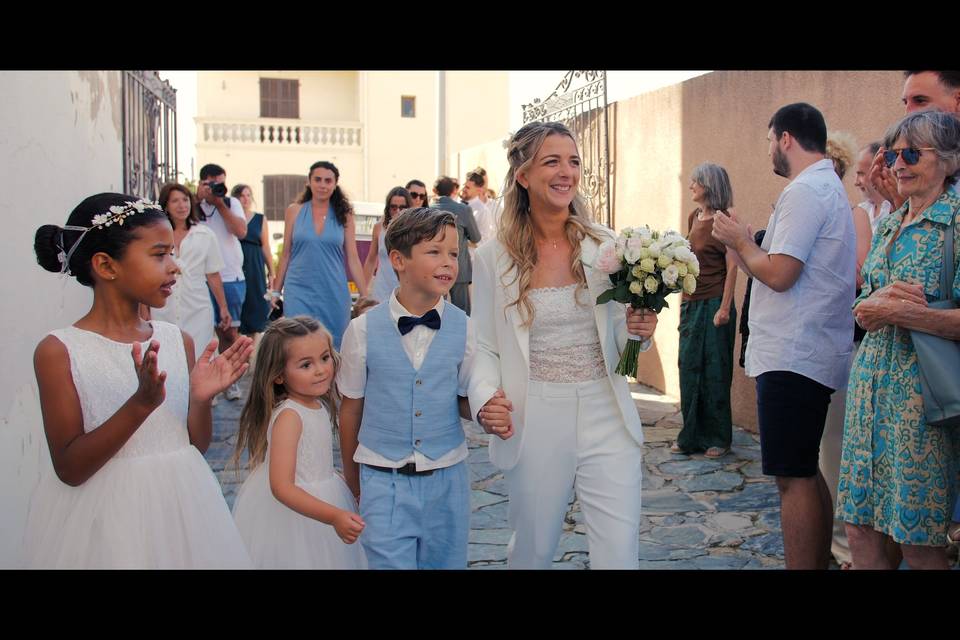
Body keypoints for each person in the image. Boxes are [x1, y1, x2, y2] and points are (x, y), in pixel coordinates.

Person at [25, 192, 254, 568]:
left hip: (181, 511)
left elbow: (194, 443)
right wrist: (140, 405)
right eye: (160, 255)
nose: (174, 267)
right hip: (106, 525)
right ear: (106, 265)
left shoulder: (176, 340)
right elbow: (70, 467)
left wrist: (200, 398)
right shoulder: (60, 351)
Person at [467, 121, 659, 569]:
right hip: (535, 414)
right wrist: (483, 399)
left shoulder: (606, 246)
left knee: (618, 556)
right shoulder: (493, 257)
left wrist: (638, 331)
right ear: (523, 175)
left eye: (572, 161)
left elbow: (621, 337)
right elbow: (484, 346)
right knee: (533, 551)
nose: (565, 172)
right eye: (551, 161)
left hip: (605, 410)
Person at [712, 103, 856, 570]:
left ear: (786, 138)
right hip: (804, 352)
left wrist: (739, 239)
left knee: (792, 477)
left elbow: (779, 273)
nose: (769, 150)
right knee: (805, 472)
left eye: (770, 140)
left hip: (794, 354)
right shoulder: (822, 186)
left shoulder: (807, 191)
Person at [837, 110, 960, 570]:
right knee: (859, 526)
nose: (897, 164)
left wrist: (901, 312)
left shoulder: (956, 226)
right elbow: (866, 306)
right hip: (869, 396)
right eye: (892, 154)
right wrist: (874, 307)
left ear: (948, 160)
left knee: (918, 539)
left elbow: (890, 311)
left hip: (923, 406)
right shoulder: (889, 224)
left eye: (911, 153)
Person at [338, 208, 476, 569]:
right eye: (434, 252)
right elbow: (350, 408)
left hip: (447, 479)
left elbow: (464, 399)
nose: (448, 262)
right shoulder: (362, 331)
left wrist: (484, 406)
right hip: (383, 480)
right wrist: (354, 481)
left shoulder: (466, 329)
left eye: (453, 252)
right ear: (398, 260)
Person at [231, 316, 367, 569]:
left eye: (325, 358)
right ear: (279, 375)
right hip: (296, 514)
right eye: (306, 365)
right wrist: (334, 516)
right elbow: (282, 486)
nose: (321, 370)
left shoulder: (315, 405)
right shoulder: (290, 416)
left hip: (325, 493)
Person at [673, 162, 738, 458]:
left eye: (695, 182)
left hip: (715, 303)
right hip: (691, 303)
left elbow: (732, 265)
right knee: (688, 368)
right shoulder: (693, 217)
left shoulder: (726, 218)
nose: (691, 186)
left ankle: (718, 437)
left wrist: (724, 307)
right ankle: (690, 436)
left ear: (709, 185)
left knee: (715, 371)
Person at [273, 161, 368, 350]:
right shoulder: (294, 211)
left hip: (333, 289)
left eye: (328, 181)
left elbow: (353, 258)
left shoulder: (345, 214)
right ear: (309, 182)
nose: (322, 185)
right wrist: (276, 291)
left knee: (334, 345)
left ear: (335, 184)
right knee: (297, 343)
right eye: (317, 179)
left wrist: (365, 294)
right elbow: (286, 255)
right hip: (298, 289)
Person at [149, 183, 229, 363]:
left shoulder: (204, 235)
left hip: (197, 305)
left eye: (185, 200)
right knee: (166, 355)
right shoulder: (155, 236)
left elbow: (213, 274)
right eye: (175, 201)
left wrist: (223, 307)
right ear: (166, 205)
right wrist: (144, 308)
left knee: (199, 353)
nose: (181, 205)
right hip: (164, 306)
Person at [197, 163, 248, 402]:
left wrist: (219, 203)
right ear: (204, 182)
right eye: (213, 184)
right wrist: (199, 200)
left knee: (230, 333)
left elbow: (240, 231)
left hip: (230, 276)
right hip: (201, 277)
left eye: (221, 184)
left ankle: (231, 380)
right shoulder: (194, 206)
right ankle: (208, 380)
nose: (219, 189)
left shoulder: (230, 203)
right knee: (206, 331)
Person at [433, 176, 481, 314]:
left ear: (435, 190)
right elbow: (476, 237)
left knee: (434, 312)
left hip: (434, 267)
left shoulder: (427, 210)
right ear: (454, 190)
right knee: (463, 315)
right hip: (459, 267)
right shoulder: (463, 210)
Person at [232, 184, 273, 339]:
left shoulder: (260, 219)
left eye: (249, 195)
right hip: (235, 265)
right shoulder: (231, 218)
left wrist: (272, 272)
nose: (246, 199)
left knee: (255, 307)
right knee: (237, 309)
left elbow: (266, 246)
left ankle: (251, 352)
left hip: (255, 266)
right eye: (242, 195)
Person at [363, 186, 411, 304]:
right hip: (382, 289)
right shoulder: (379, 228)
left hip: (406, 289)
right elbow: (371, 259)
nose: (397, 211)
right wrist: (363, 291)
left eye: (402, 207)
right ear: (388, 208)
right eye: (393, 207)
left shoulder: (415, 230)